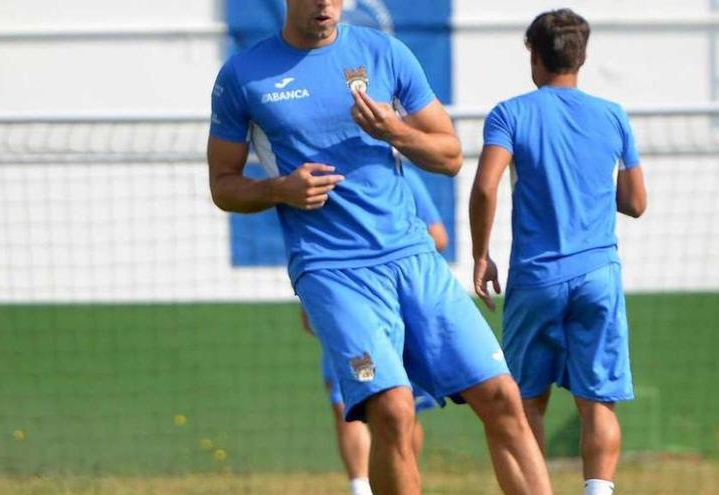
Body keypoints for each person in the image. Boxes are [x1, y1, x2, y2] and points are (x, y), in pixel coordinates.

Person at [207, 1, 552, 493]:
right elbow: (223, 184)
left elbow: (451, 155)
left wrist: (396, 131)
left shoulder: (385, 53)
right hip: (331, 269)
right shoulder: (244, 74)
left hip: (413, 258)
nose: (326, 4)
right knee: (393, 409)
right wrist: (277, 189)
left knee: (501, 396)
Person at [468, 9, 647, 495]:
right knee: (598, 402)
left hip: (537, 277)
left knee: (526, 402)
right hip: (598, 274)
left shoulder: (511, 114)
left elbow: (485, 188)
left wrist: (481, 254)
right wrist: (588, 190)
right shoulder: (613, 115)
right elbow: (635, 202)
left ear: (533, 52)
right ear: (582, 56)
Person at [302, 170, 446, 495]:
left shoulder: (398, 172)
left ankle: (403, 476)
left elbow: (438, 235)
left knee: (403, 406)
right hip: (347, 313)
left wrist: (388, 244)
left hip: (397, 314)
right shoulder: (324, 178)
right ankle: (360, 487)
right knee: (350, 399)